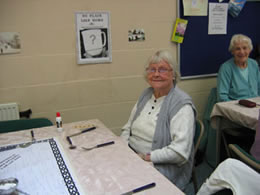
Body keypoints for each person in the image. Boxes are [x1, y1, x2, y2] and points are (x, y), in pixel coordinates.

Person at [120, 50, 197, 191]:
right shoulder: (146, 94)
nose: (156, 74)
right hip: (133, 156)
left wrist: (146, 157)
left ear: (173, 74)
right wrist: (124, 149)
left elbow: (180, 152)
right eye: (152, 69)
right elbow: (127, 127)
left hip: (158, 164)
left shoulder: (182, 105)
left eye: (162, 69)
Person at [217, 34, 260, 102]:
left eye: (245, 48)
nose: (242, 52)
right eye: (237, 49)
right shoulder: (226, 68)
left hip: (255, 105)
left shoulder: (254, 64)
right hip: (235, 107)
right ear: (232, 51)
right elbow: (222, 97)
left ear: (249, 50)